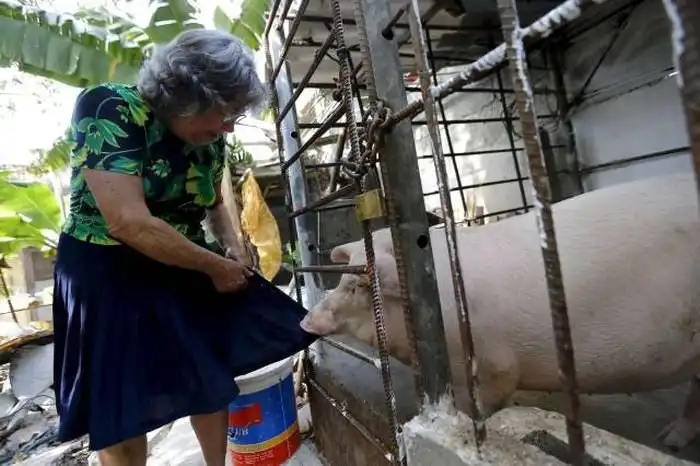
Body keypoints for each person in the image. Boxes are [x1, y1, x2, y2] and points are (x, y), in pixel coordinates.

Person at [52, 29, 316, 466]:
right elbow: (128, 222)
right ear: (187, 97)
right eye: (225, 112)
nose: (229, 126)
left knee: (208, 380)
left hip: (182, 261)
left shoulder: (209, 140)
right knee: (121, 405)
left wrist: (233, 249)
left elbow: (214, 203)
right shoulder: (110, 107)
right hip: (106, 267)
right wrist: (214, 267)